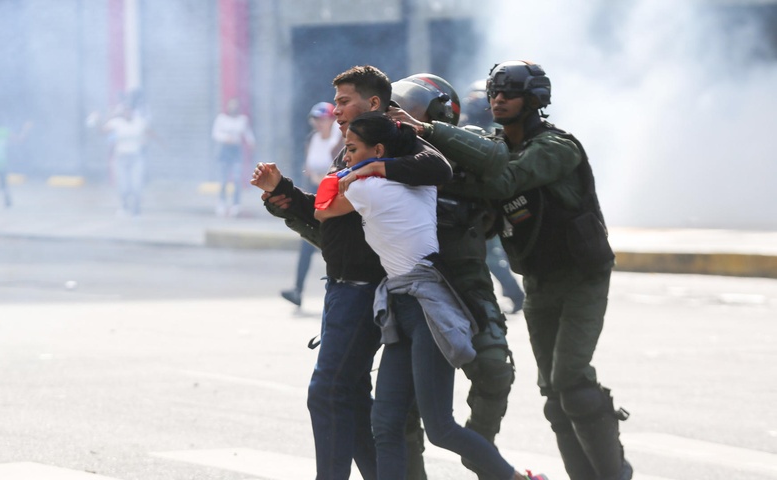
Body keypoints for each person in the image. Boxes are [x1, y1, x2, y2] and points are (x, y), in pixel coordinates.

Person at [397, 60, 633, 480]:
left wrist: (430, 136)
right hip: (540, 279)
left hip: (582, 275)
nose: (498, 100)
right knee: (554, 395)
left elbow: (504, 182)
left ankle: (615, 473)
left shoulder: (557, 147)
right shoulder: (493, 146)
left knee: (572, 385)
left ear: (534, 99)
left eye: (509, 93)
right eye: (494, 93)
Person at [315, 111, 547, 480]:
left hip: (424, 309)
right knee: (386, 423)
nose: (345, 157)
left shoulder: (365, 189)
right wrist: (378, 160)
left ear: (378, 148)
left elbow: (322, 210)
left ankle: (516, 478)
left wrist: (363, 172)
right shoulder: (421, 182)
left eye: (352, 149)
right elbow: (434, 165)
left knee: (439, 427)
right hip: (403, 303)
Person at [250, 65, 451, 480]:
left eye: (344, 102)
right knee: (352, 397)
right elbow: (328, 215)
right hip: (341, 288)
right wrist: (281, 192)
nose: (336, 111)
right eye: (337, 103)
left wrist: (377, 166)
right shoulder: (351, 149)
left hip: (365, 290)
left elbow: (437, 168)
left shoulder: (391, 142)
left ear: (373, 102)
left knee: (327, 393)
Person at [458, 81, 526, 314]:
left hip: (485, 207)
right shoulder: (461, 130)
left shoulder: (496, 136)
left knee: (492, 257)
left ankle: (514, 295)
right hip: (472, 206)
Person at [280, 101, 342, 308]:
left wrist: (323, 179)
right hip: (315, 198)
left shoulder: (340, 140)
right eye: (316, 119)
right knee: (306, 243)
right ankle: (297, 290)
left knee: (334, 246)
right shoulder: (312, 139)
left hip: (335, 200)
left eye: (322, 119)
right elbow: (308, 169)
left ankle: (337, 291)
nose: (318, 123)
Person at [102, 102, 157, 216]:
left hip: (135, 157)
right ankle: (124, 205)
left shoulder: (139, 122)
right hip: (121, 158)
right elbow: (103, 131)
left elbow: (149, 132)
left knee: (136, 183)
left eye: (130, 110)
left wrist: (159, 142)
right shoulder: (116, 123)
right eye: (125, 111)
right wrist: (108, 116)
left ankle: (136, 207)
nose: (128, 113)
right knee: (123, 184)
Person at [212, 97, 255, 217]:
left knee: (236, 178)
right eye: (231, 105)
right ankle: (222, 203)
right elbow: (215, 134)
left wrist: (252, 143)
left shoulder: (242, 120)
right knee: (223, 178)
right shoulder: (221, 119)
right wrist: (227, 138)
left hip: (236, 151)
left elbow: (248, 133)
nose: (233, 107)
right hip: (224, 151)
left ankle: (236, 204)